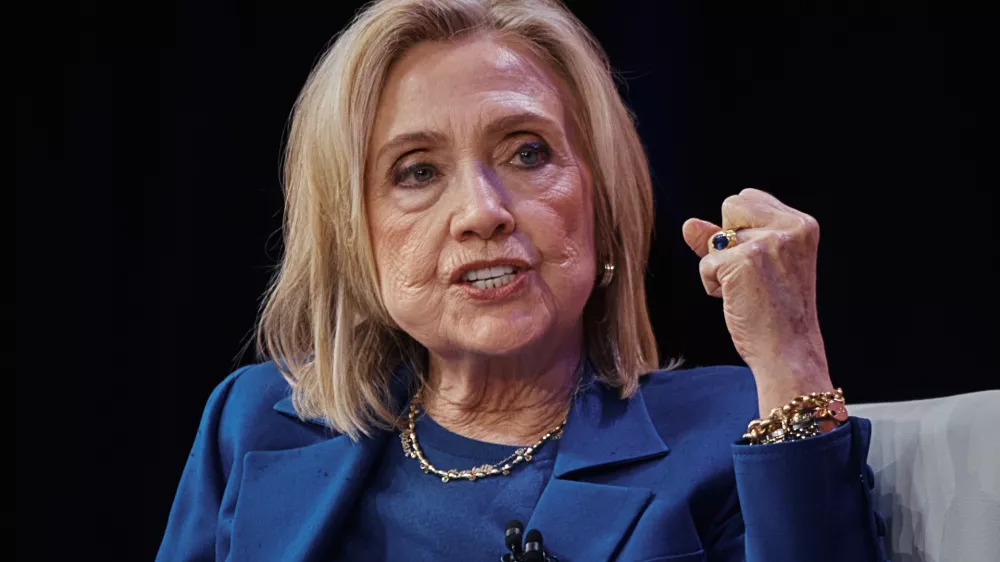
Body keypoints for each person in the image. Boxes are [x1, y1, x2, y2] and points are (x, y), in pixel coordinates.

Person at [157, 0, 888, 560]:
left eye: (528, 154)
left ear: (600, 198)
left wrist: (791, 357)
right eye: (417, 171)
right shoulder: (257, 423)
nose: (482, 211)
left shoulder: (730, 427)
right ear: (352, 231)